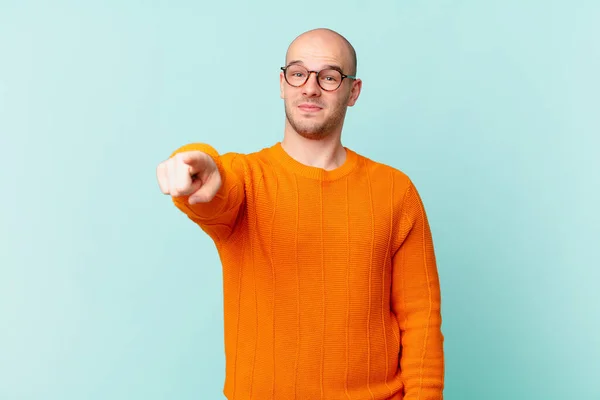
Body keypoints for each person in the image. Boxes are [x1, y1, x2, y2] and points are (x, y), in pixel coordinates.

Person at [156, 28, 444, 400]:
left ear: (352, 91)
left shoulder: (395, 190)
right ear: (282, 83)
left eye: (328, 76)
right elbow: (215, 188)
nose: (310, 88)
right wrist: (194, 164)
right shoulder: (246, 179)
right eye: (298, 73)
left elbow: (421, 320)